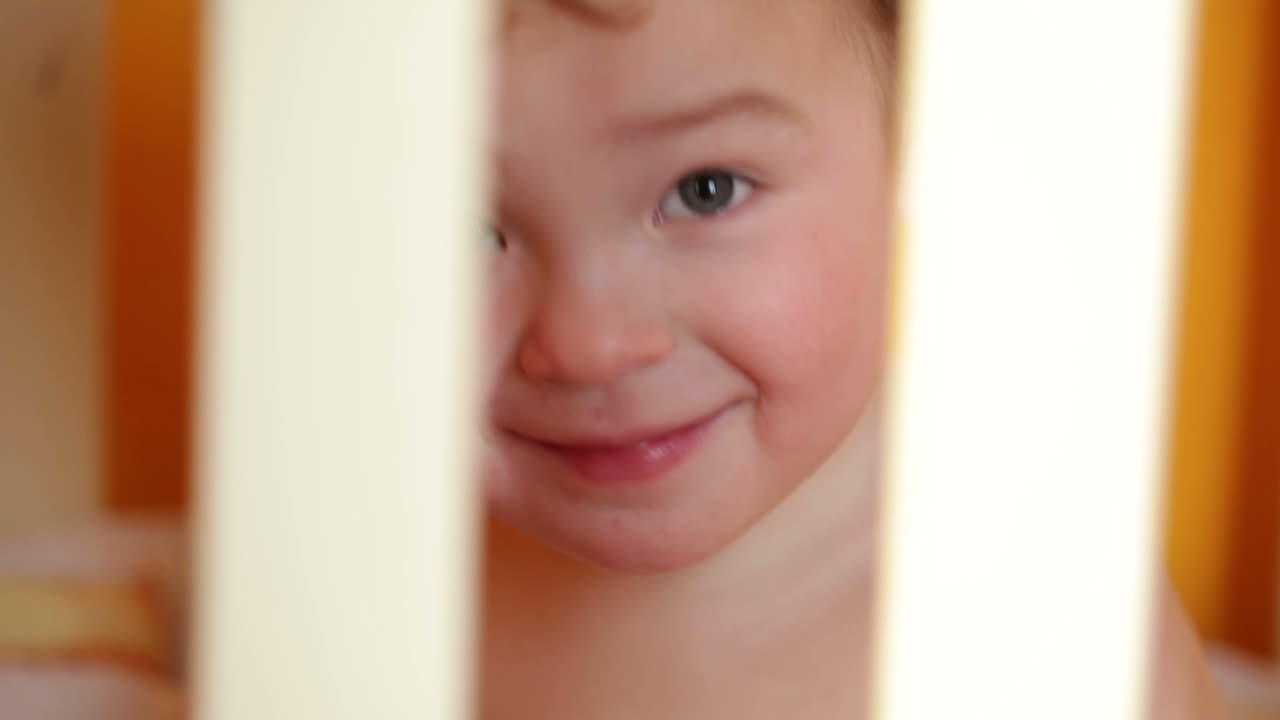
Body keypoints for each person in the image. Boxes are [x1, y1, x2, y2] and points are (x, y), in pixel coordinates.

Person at [478, 0, 1221, 718]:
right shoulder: (382, 556)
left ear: (916, 137)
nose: (590, 347)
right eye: (464, 229)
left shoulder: (1032, 579)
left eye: (706, 192)